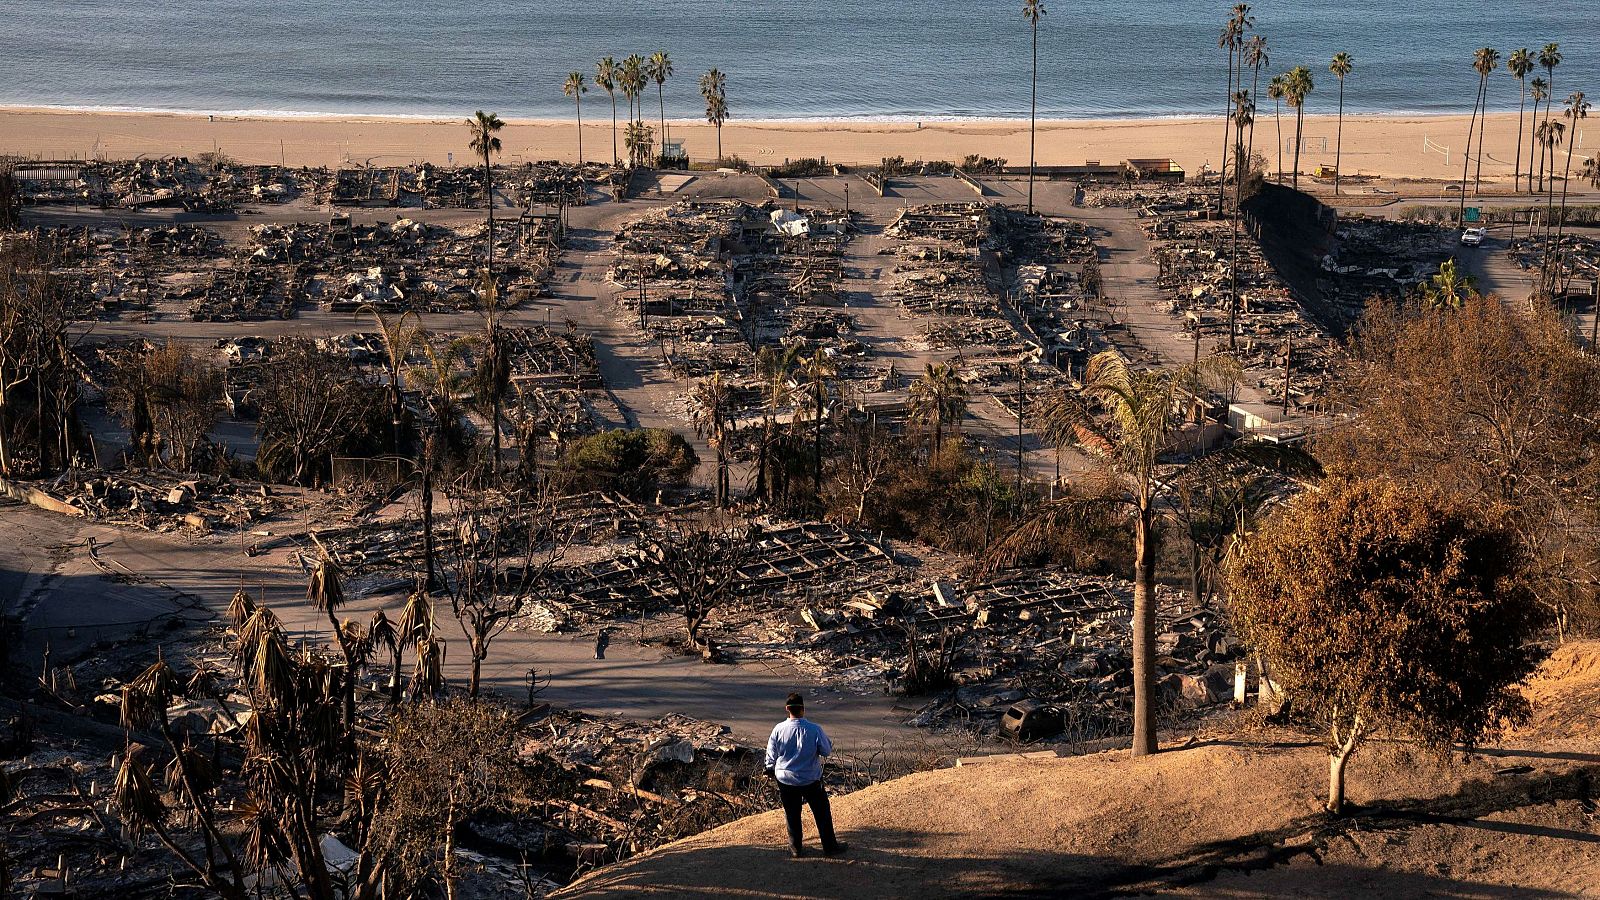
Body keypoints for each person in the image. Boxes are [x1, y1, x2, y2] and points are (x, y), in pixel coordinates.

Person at [765, 692, 847, 858]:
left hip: (786, 779)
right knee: (822, 813)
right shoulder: (814, 729)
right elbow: (826, 751)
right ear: (803, 708)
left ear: (787, 709)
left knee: (792, 813)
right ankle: (830, 846)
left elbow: (771, 754)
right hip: (810, 779)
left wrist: (769, 768)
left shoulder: (778, 729)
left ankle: (795, 847)